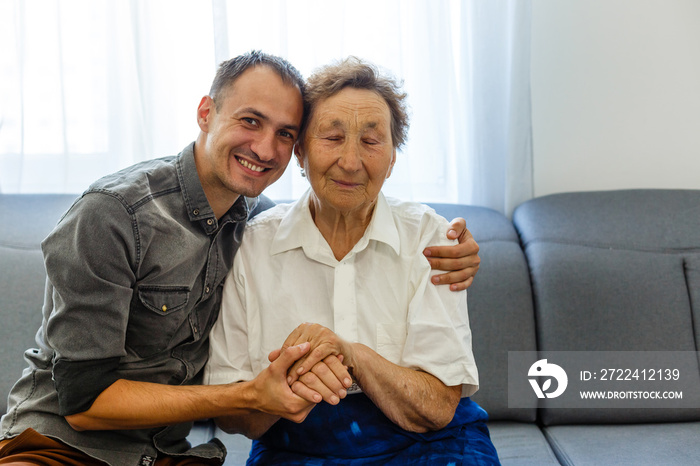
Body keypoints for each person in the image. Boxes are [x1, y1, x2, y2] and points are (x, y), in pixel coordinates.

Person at [0, 51, 481, 465]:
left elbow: (439, 404)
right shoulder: (117, 215)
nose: (264, 148)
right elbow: (83, 400)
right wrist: (261, 391)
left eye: (284, 132)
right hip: (61, 442)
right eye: (250, 121)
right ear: (206, 112)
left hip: (164, 452)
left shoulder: (254, 221)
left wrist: (460, 253)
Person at [204, 57, 499, 465]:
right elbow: (233, 417)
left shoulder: (432, 239)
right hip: (297, 445)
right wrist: (288, 382)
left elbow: (437, 408)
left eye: (372, 141)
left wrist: (351, 354)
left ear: (393, 158)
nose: (350, 161)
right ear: (301, 153)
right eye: (332, 137)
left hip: (433, 446)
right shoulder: (249, 245)